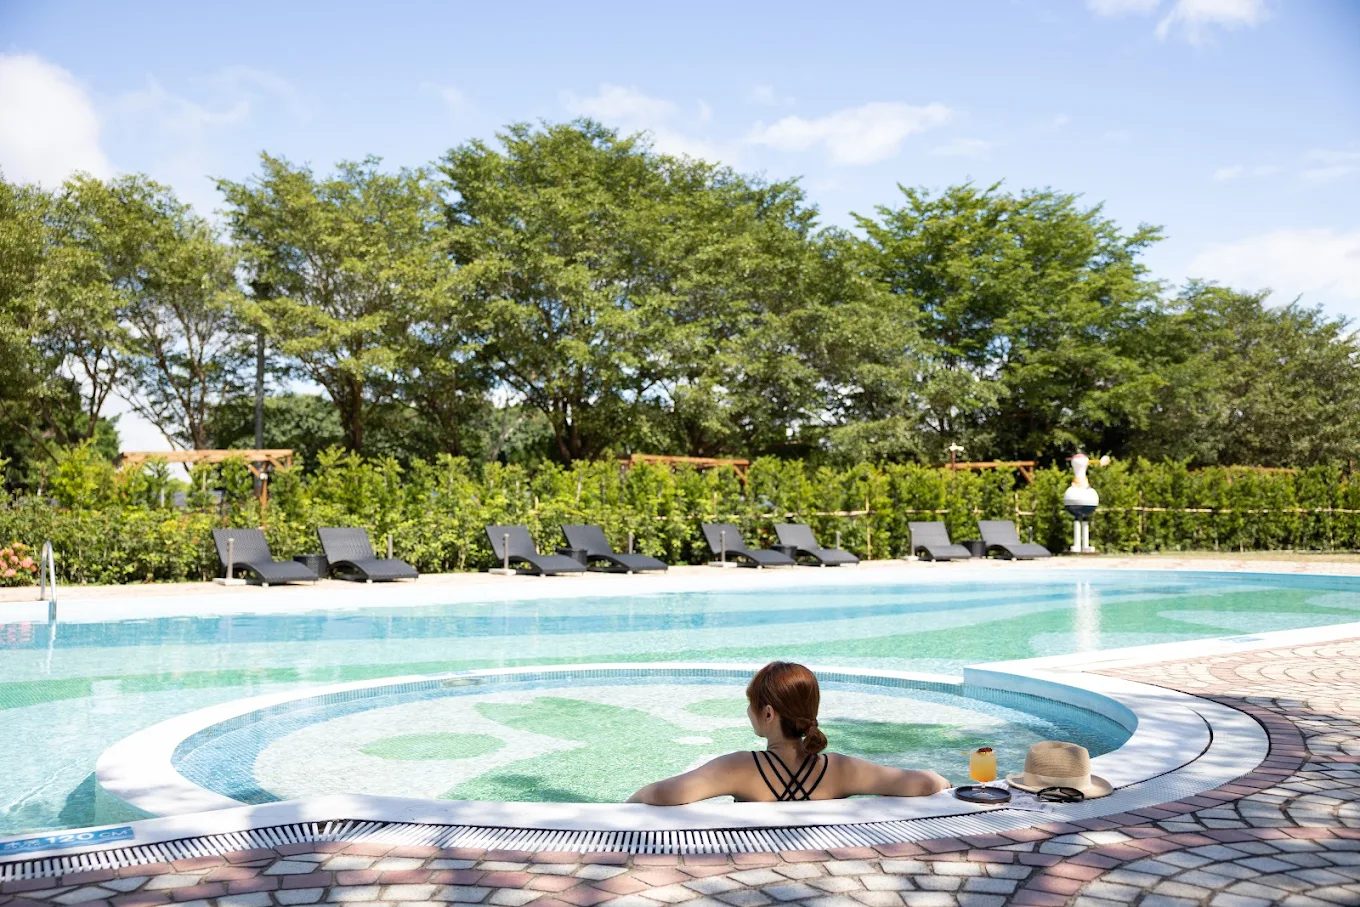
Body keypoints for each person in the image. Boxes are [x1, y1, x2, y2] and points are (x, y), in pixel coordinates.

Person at [627, 661, 951, 805]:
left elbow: (662, 795)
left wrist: (628, 803)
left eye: (751, 704)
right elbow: (926, 783)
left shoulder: (739, 768)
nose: (749, 711)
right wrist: (944, 783)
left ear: (768, 713)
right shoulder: (840, 769)